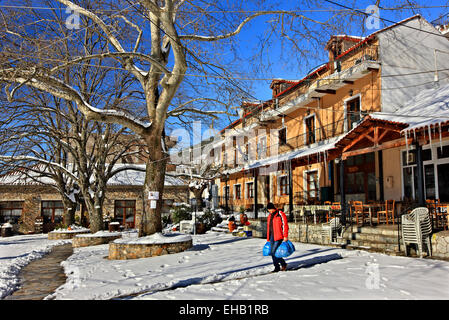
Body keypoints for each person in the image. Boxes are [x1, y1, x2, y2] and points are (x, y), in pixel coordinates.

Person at [266, 202, 288, 272]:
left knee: (273, 252)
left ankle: (283, 264)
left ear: (273, 208)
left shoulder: (280, 214)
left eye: (270, 209)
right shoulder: (269, 216)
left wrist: (285, 236)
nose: (270, 211)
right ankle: (277, 267)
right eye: (269, 210)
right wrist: (268, 238)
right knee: (273, 253)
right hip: (272, 236)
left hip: (279, 236)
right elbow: (269, 227)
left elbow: (285, 225)